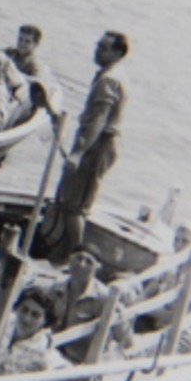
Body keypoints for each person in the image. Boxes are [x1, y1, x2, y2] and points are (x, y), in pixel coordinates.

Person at [36, 31, 129, 261]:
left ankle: (76, 258)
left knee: (75, 209)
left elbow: (98, 120)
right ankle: (63, 253)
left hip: (98, 146)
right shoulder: (112, 74)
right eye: (98, 45)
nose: (97, 50)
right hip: (96, 144)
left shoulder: (109, 79)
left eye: (104, 47)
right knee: (69, 202)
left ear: (118, 53)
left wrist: (78, 154)